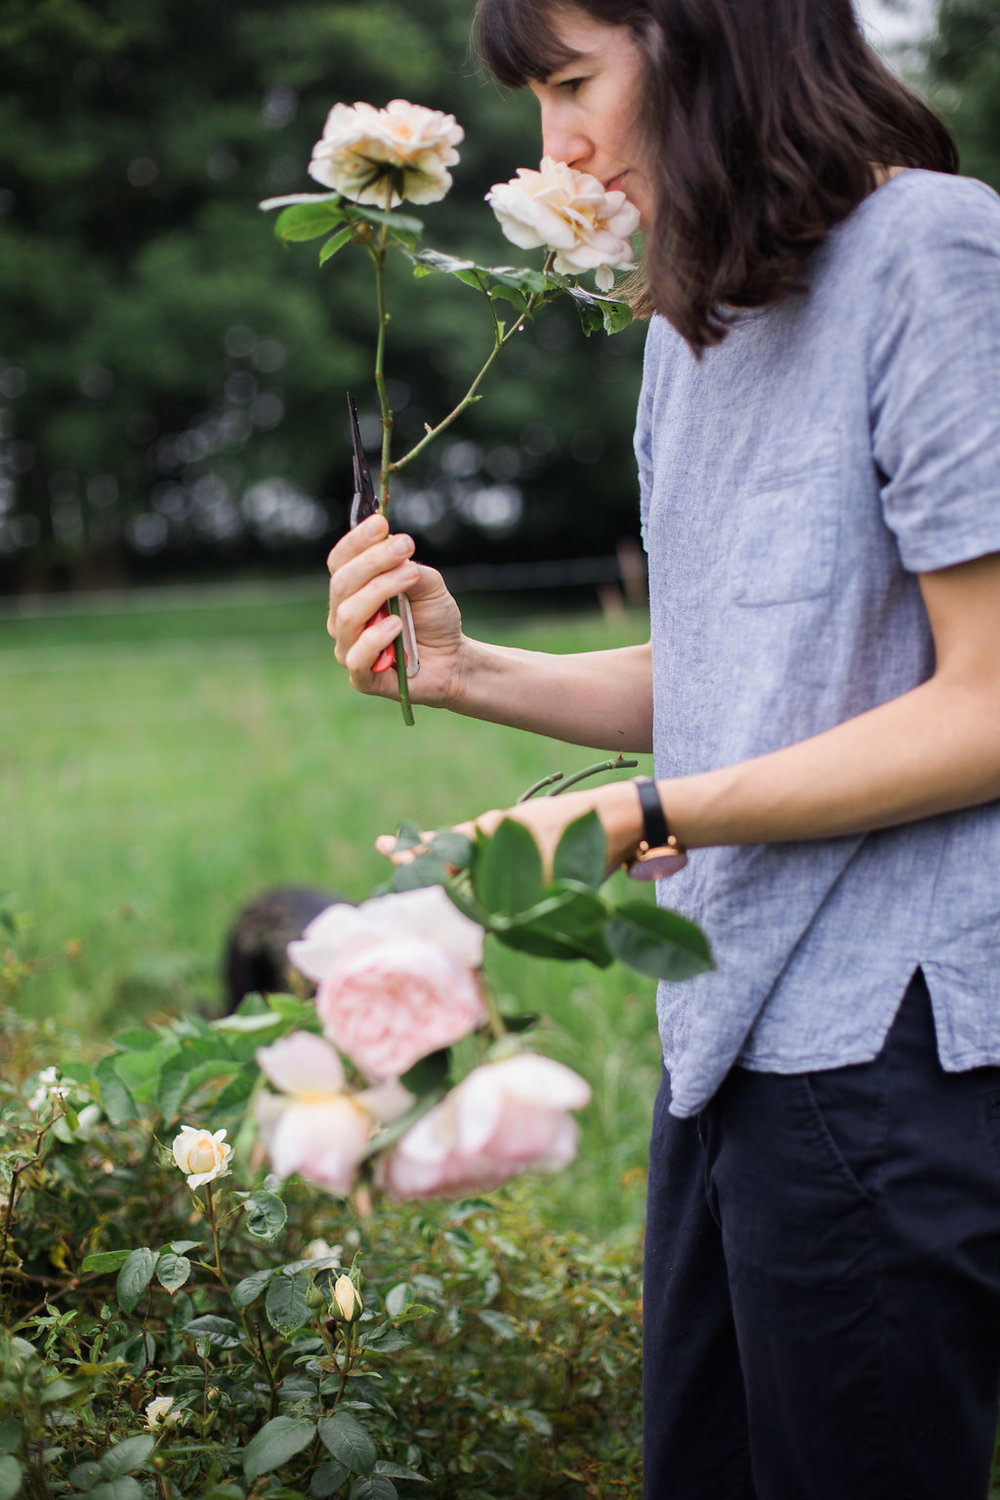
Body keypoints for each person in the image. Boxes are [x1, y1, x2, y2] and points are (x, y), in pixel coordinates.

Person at [326, 0, 1000, 1494]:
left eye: (575, 84)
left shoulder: (934, 257)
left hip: (886, 1048)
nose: (555, 145)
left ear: (715, 42)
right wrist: (468, 667)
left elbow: (988, 704)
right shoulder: (691, 319)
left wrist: (631, 816)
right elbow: (743, 674)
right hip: (730, 1044)